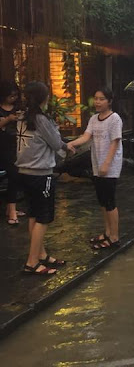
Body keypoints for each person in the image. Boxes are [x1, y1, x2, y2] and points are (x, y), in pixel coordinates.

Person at [16, 81, 75, 275]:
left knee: (34, 214)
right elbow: (55, 142)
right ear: (45, 98)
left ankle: (40, 254)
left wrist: (65, 145)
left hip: (24, 173)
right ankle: (32, 262)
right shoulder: (41, 119)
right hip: (41, 174)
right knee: (43, 217)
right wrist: (66, 145)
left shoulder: (22, 117)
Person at [68, 88, 123, 249]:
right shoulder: (93, 119)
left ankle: (114, 237)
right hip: (97, 164)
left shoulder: (115, 119)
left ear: (110, 101)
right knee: (102, 201)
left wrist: (106, 163)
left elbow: (115, 142)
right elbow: (86, 137)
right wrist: (71, 143)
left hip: (109, 166)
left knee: (110, 201)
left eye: (102, 99)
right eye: (96, 98)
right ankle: (106, 232)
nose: (97, 102)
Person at [0, 80, 25, 225]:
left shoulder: (18, 107)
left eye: (15, 95)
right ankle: (11, 210)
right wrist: (8, 119)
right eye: (10, 96)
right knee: (13, 175)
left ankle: (11, 208)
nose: (13, 98)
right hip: (3, 147)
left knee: (17, 176)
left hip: (17, 145)